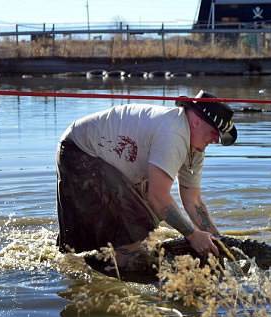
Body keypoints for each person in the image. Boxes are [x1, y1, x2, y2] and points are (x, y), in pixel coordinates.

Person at [56, 90, 238, 270]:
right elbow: (158, 197)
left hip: (108, 161)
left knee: (147, 217)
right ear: (197, 121)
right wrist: (192, 235)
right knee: (139, 219)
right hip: (79, 151)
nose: (216, 140)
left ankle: (106, 260)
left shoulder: (195, 147)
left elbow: (193, 200)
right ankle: (115, 264)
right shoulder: (174, 132)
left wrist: (218, 242)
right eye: (215, 132)